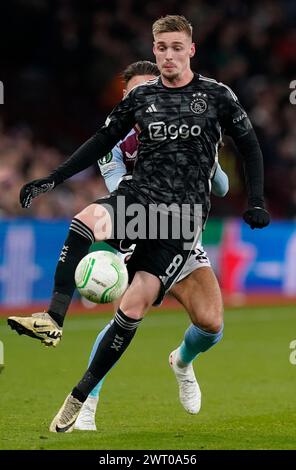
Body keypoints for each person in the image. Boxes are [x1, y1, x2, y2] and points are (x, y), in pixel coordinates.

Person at [8, 15, 270, 433]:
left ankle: (180, 362)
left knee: (203, 322)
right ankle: (57, 325)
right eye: (161, 47)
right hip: (141, 202)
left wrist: (254, 199)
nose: (168, 55)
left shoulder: (216, 96)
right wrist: (52, 178)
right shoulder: (138, 103)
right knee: (87, 222)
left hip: (182, 222)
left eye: (176, 47)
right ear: (153, 50)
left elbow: (249, 149)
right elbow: (101, 144)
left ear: (190, 49)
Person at [74, 60, 229, 431]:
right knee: (125, 319)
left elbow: (221, 188)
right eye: (135, 93)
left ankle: (182, 360)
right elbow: (118, 190)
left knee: (211, 325)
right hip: (140, 235)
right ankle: (86, 403)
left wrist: (210, 162)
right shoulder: (111, 140)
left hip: (184, 240)